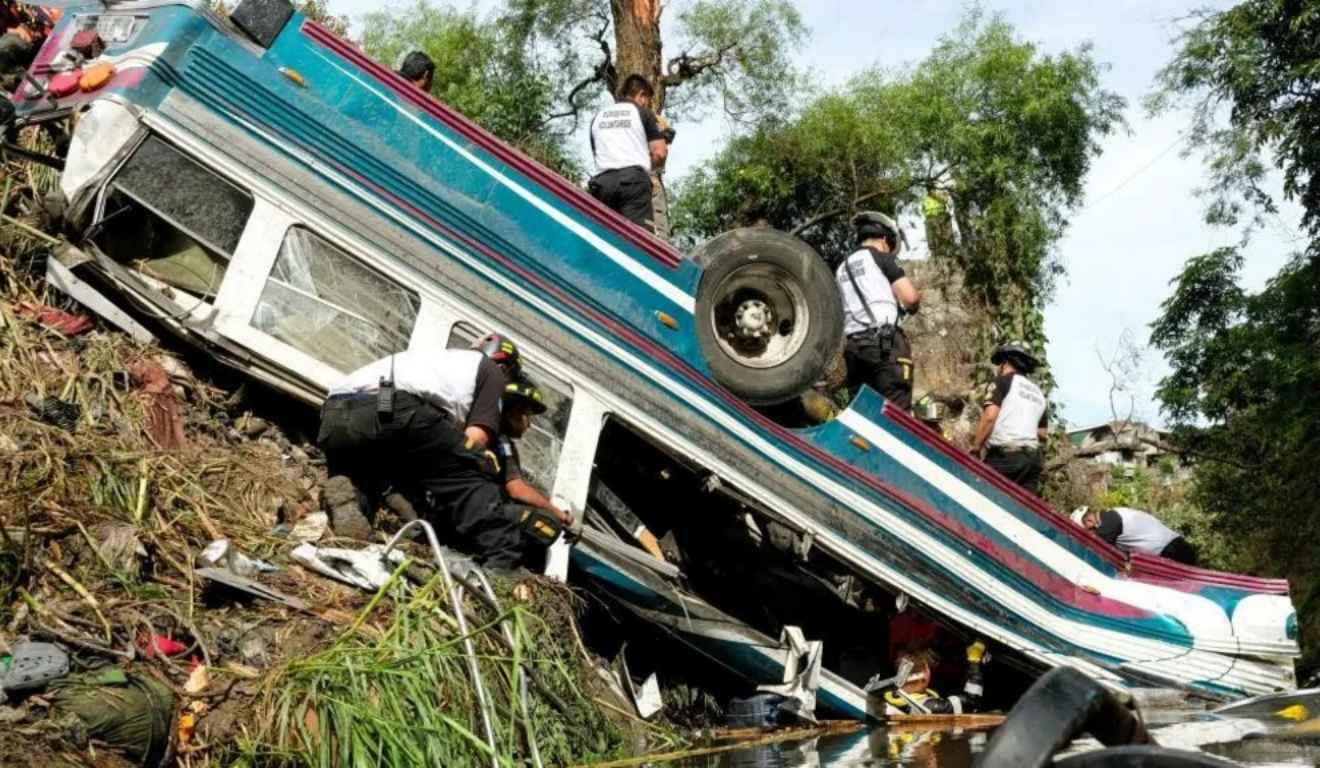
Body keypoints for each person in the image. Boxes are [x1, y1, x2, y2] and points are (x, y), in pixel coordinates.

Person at [316, 333, 525, 570]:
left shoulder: (434, 357)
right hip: (394, 406)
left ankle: (353, 515)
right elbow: (477, 437)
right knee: (472, 466)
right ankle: (502, 560)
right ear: (505, 366)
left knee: (370, 471)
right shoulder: (492, 371)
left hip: (337, 412)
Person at [836, 211, 921, 411]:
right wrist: (915, 304)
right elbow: (910, 298)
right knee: (895, 412)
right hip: (885, 346)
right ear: (884, 239)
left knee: (865, 414)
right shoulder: (881, 257)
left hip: (855, 349)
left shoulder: (841, 268)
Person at [588, 74, 667, 232]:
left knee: (607, 237)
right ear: (641, 95)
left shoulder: (597, 117)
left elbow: (598, 154)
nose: (647, 104)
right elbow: (660, 153)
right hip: (633, 184)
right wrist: (649, 163)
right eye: (647, 100)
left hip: (602, 185)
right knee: (638, 239)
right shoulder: (642, 113)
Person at [493, 375, 574, 529]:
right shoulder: (502, 443)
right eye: (528, 416)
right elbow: (517, 490)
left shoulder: (497, 436)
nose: (529, 424)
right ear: (514, 413)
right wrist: (558, 513)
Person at [971, 342, 1048, 494]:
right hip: (1033, 462)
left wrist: (976, 448)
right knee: (1021, 506)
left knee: (980, 495)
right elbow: (1043, 433)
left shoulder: (1001, 382)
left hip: (1006, 458)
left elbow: (989, 417)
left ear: (1004, 363)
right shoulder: (1039, 393)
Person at [1071, 506, 1198, 566]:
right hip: (1178, 546)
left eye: (1088, 531)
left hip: (1172, 553)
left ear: (1089, 522)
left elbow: (1095, 553)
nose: (1092, 534)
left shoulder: (1110, 522)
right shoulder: (1115, 513)